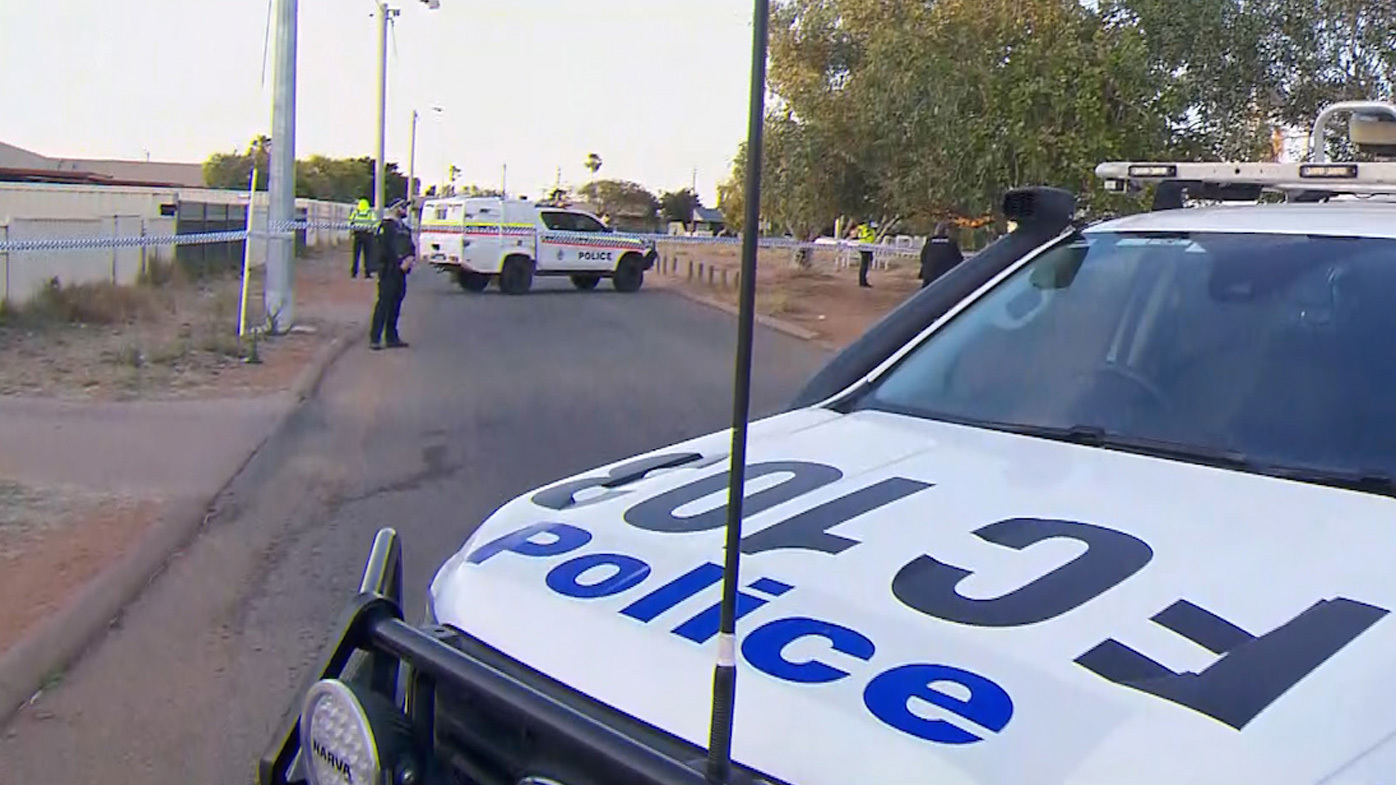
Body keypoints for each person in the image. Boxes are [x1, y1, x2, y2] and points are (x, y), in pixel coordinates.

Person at [370, 203, 416, 350]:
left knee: (396, 303)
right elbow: (384, 248)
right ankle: (375, 338)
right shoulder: (386, 227)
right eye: (402, 207)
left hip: (401, 271)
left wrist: (410, 258)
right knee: (384, 303)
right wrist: (398, 261)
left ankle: (392, 337)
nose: (405, 211)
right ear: (395, 209)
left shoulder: (403, 227)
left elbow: (409, 245)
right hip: (389, 269)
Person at [919, 221, 965, 288]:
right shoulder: (951, 243)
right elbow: (959, 260)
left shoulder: (929, 242)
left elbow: (923, 258)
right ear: (946, 231)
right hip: (946, 275)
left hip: (929, 275)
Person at [348, 198, 376, 279]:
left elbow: (350, 222)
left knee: (356, 254)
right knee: (367, 255)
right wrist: (372, 230)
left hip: (357, 234)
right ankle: (367, 273)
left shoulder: (356, 212)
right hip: (367, 234)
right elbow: (374, 222)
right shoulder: (370, 212)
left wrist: (352, 230)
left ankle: (354, 273)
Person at [856, 222, 876, 288]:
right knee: (864, 265)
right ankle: (862, 282)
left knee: (865, 265)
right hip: (865, 247)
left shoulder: (863, 228)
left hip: (867, 247)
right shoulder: (866, 228)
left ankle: (863, 281)